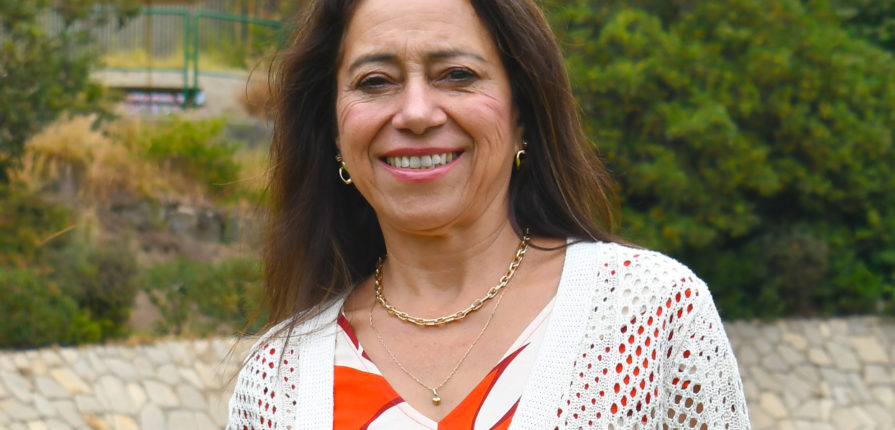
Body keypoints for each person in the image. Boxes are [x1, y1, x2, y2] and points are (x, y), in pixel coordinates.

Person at [227, 0, 750, 428]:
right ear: (336, 134)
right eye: (375, 81)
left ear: (523, 113)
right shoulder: (278, 382)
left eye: (457, 74)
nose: (415, 113)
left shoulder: (651, 315)